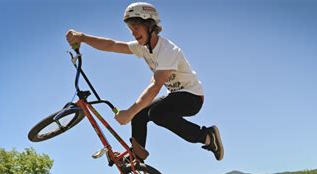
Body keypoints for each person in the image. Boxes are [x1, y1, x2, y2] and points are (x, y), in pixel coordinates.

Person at [66, 2, 224, 161]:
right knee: (139, 114)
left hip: (192, 98)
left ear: (149, 25)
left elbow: (155, 86)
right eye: (130, 29)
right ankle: (137, 157)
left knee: (155, 113)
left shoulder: (168, 50)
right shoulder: (143, 47)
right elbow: (112, 45)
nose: (133, 33)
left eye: (136, 27)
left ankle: (207, 136)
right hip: (175, 95)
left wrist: (128, 112)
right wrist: (83, 38)